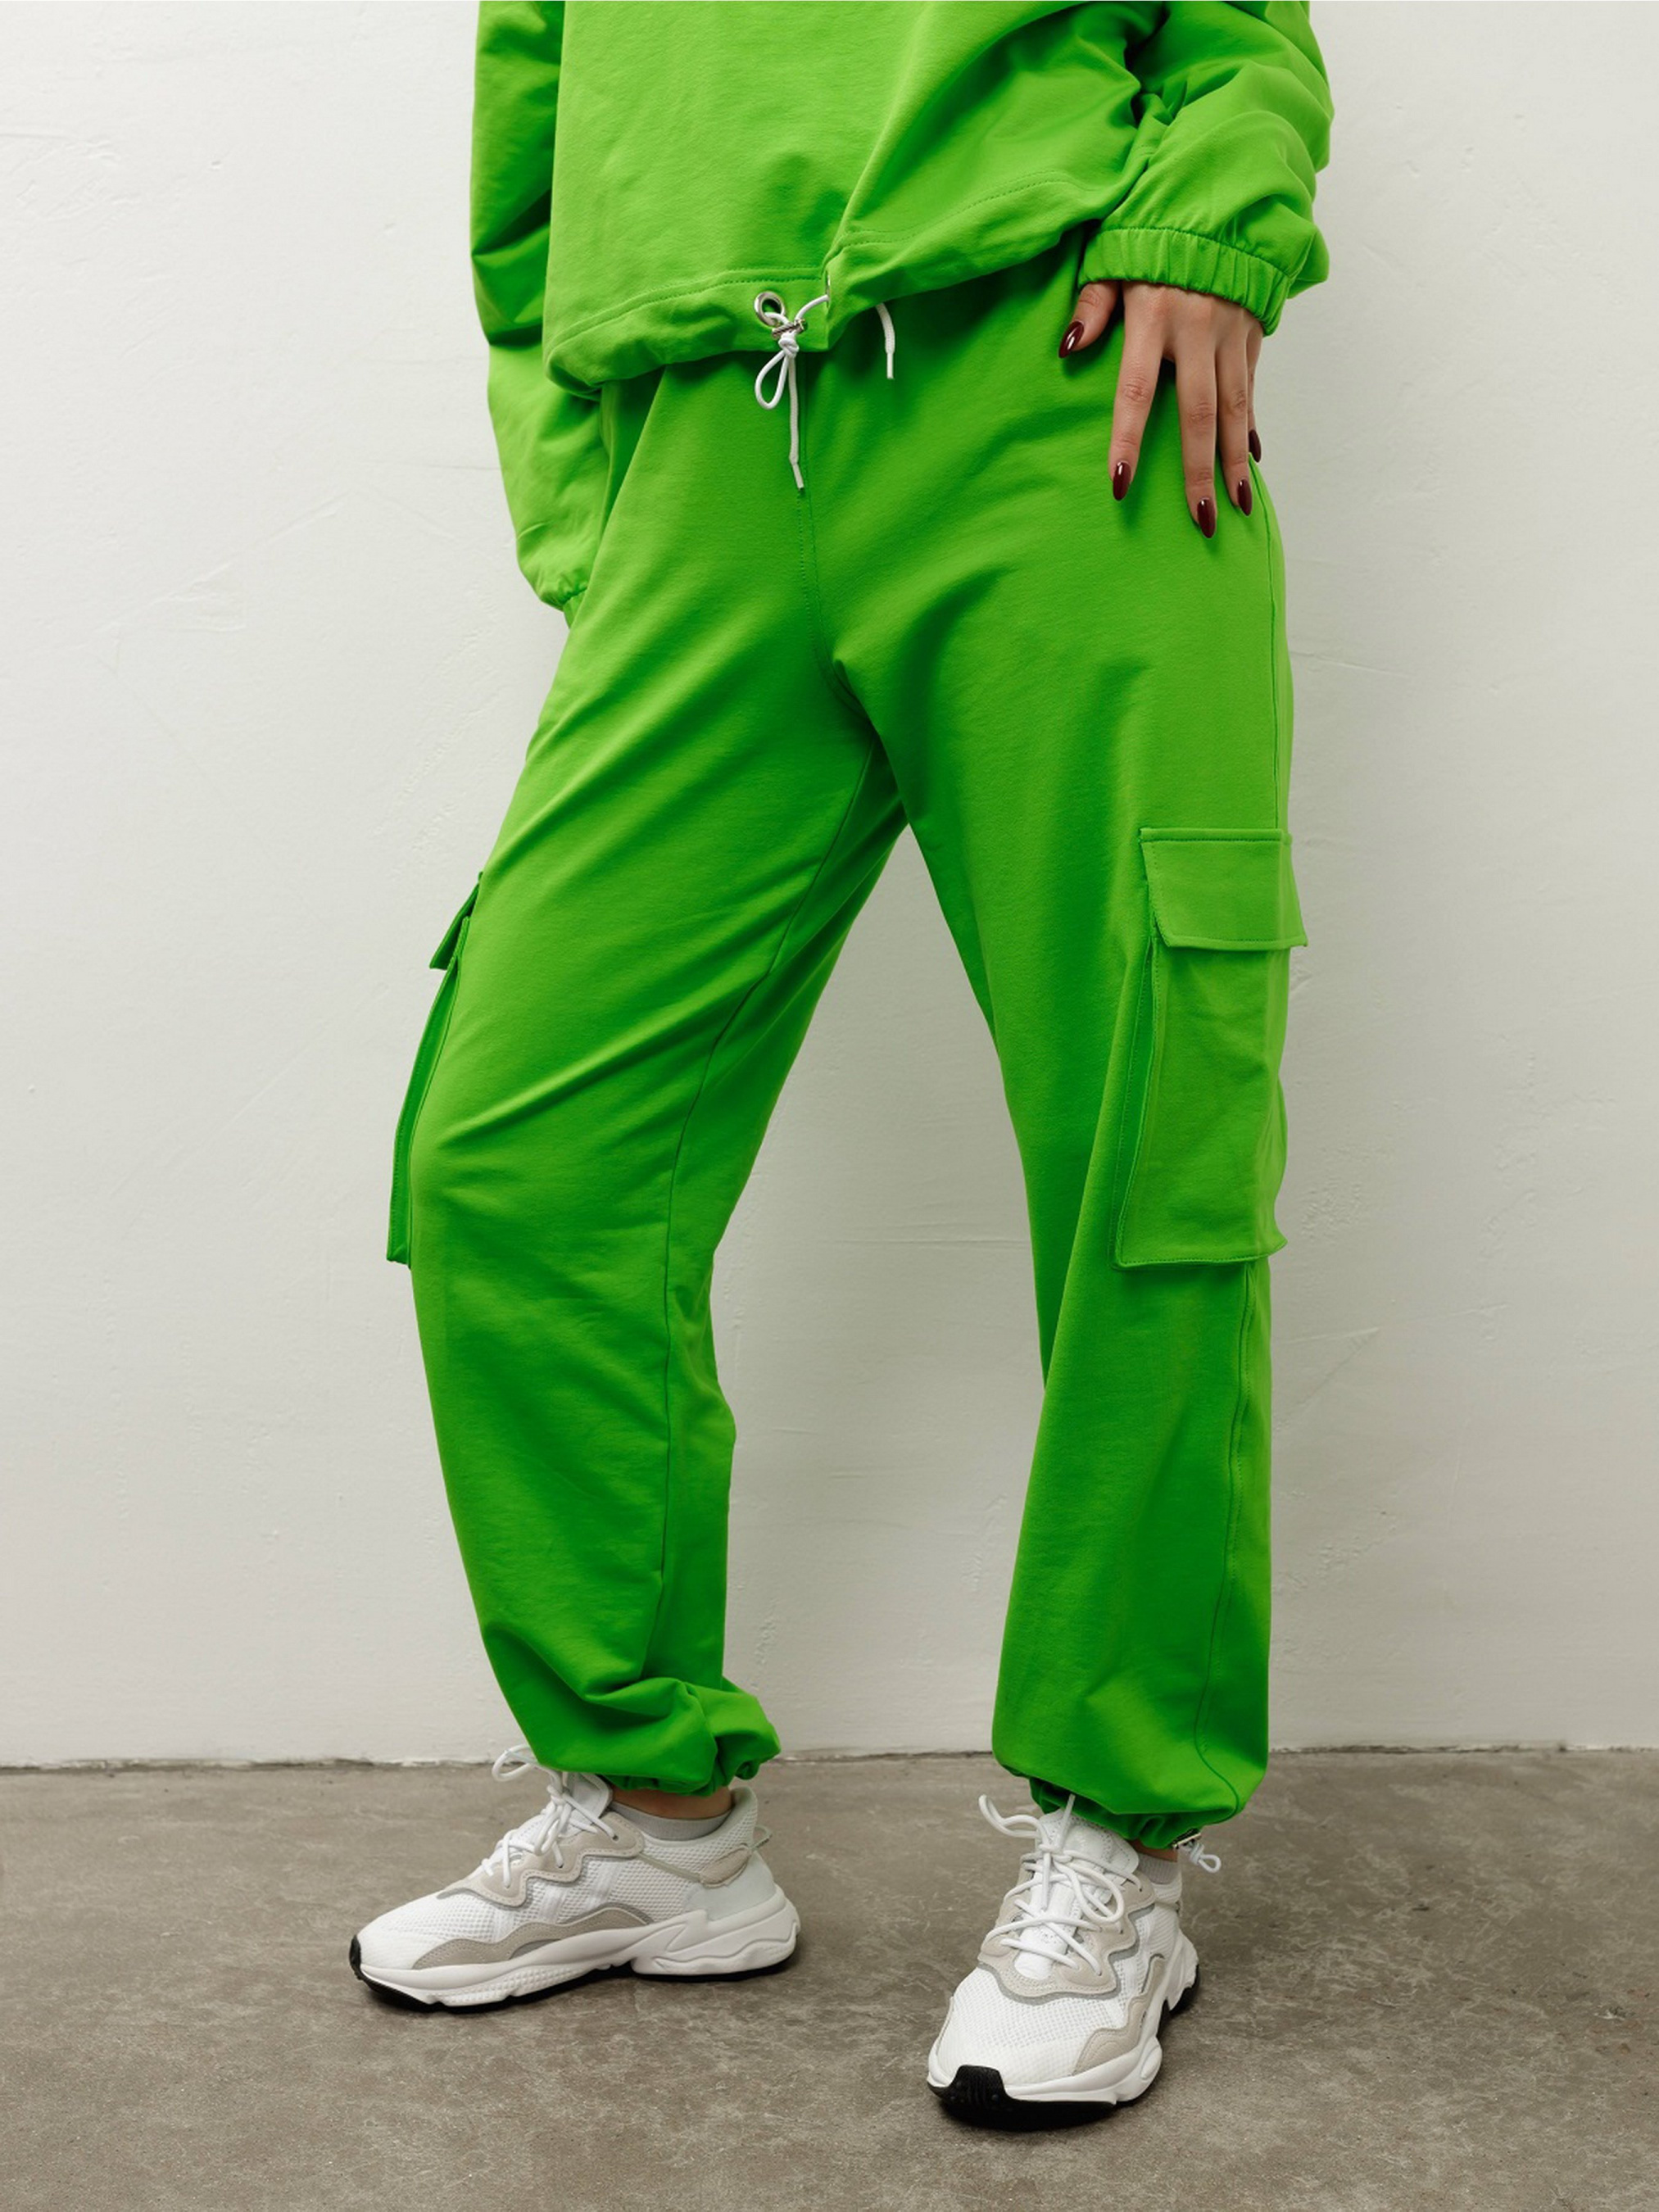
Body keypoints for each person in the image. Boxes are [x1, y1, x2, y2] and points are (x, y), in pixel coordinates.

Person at [352, 0, 1331, 2128]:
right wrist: (592, 487)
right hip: (710, 445)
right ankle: (654, 1818)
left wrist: (1209, 231)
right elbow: (532, 120)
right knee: (516, 1151)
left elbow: (1237, 29)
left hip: (1060, 395)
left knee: (1144, 1145)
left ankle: (1120, 1829)